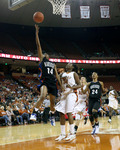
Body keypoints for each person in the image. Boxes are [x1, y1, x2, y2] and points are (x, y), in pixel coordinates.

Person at [30, 25, 62, 126]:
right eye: (43, 54)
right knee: (43, 96)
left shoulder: (53, 64)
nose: (45, 54)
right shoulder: (42, 60)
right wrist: (36, 33)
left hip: (53, 83)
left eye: (46, 54)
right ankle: (34, 113)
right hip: (45, 81)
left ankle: (52, 115)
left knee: (53, 104)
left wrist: (61, 86)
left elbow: (57, 76)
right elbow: (38, 46)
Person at [55, 63, 80, 141]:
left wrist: (72, 87)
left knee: (69, 112)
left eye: (70, 64)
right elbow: (57, 79)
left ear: (72, 67)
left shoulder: (74, 74)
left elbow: (79, 85)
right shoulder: (63, 74)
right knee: (61, 113)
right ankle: (63, 134)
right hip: (64, 94)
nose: (68, 65)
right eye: (67, 64)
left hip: (71, 93)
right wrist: (56, 70)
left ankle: (72, 133)